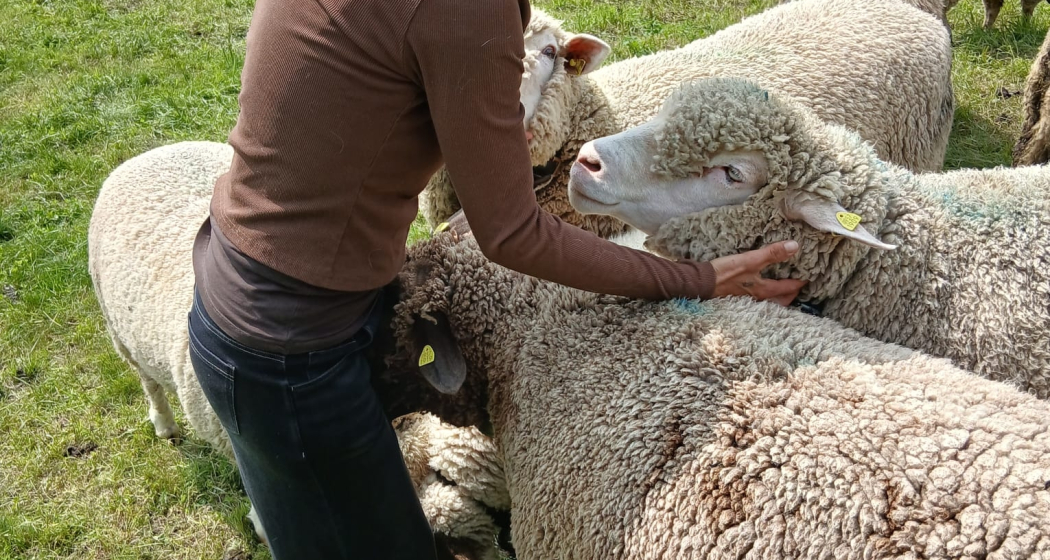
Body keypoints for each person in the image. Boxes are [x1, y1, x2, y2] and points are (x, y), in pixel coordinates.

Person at [186, 0, 807, 558]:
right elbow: (511, 231)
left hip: (239, 299)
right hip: (293, 351)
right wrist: (693, 277)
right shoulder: (461, 11)